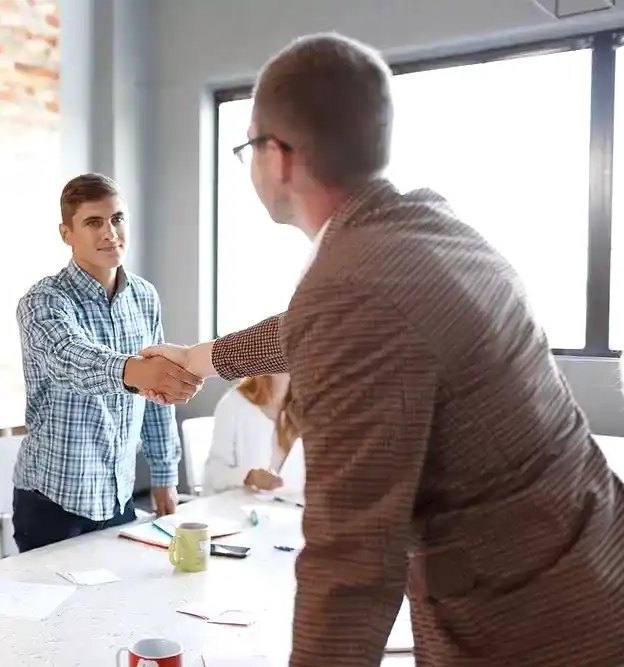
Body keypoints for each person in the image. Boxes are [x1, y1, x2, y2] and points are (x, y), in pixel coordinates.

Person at [139, 33, 624, 667]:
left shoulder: (351, 286)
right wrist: (202, 358)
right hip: (589, 566)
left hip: (533, 624)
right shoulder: (425, 227)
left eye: (247, 147)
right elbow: (319, 324)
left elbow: (351, 566)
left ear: (277, 156)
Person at [11, 173, 198, 553]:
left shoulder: (145, 297)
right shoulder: (43, 300)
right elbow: (70, 357)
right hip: (52, 502)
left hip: (119, 496)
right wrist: (136, 371)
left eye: (117, 219)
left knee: (115, 607)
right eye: (93, 222)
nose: (109, 232)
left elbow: (156, 401)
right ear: (67, 233)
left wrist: (164, 474)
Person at [203, 374, 305, 497]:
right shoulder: (233, 404)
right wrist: (249, 477)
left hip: (286, 509)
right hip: (237, 509)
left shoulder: (304, 408)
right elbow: (214, 474)